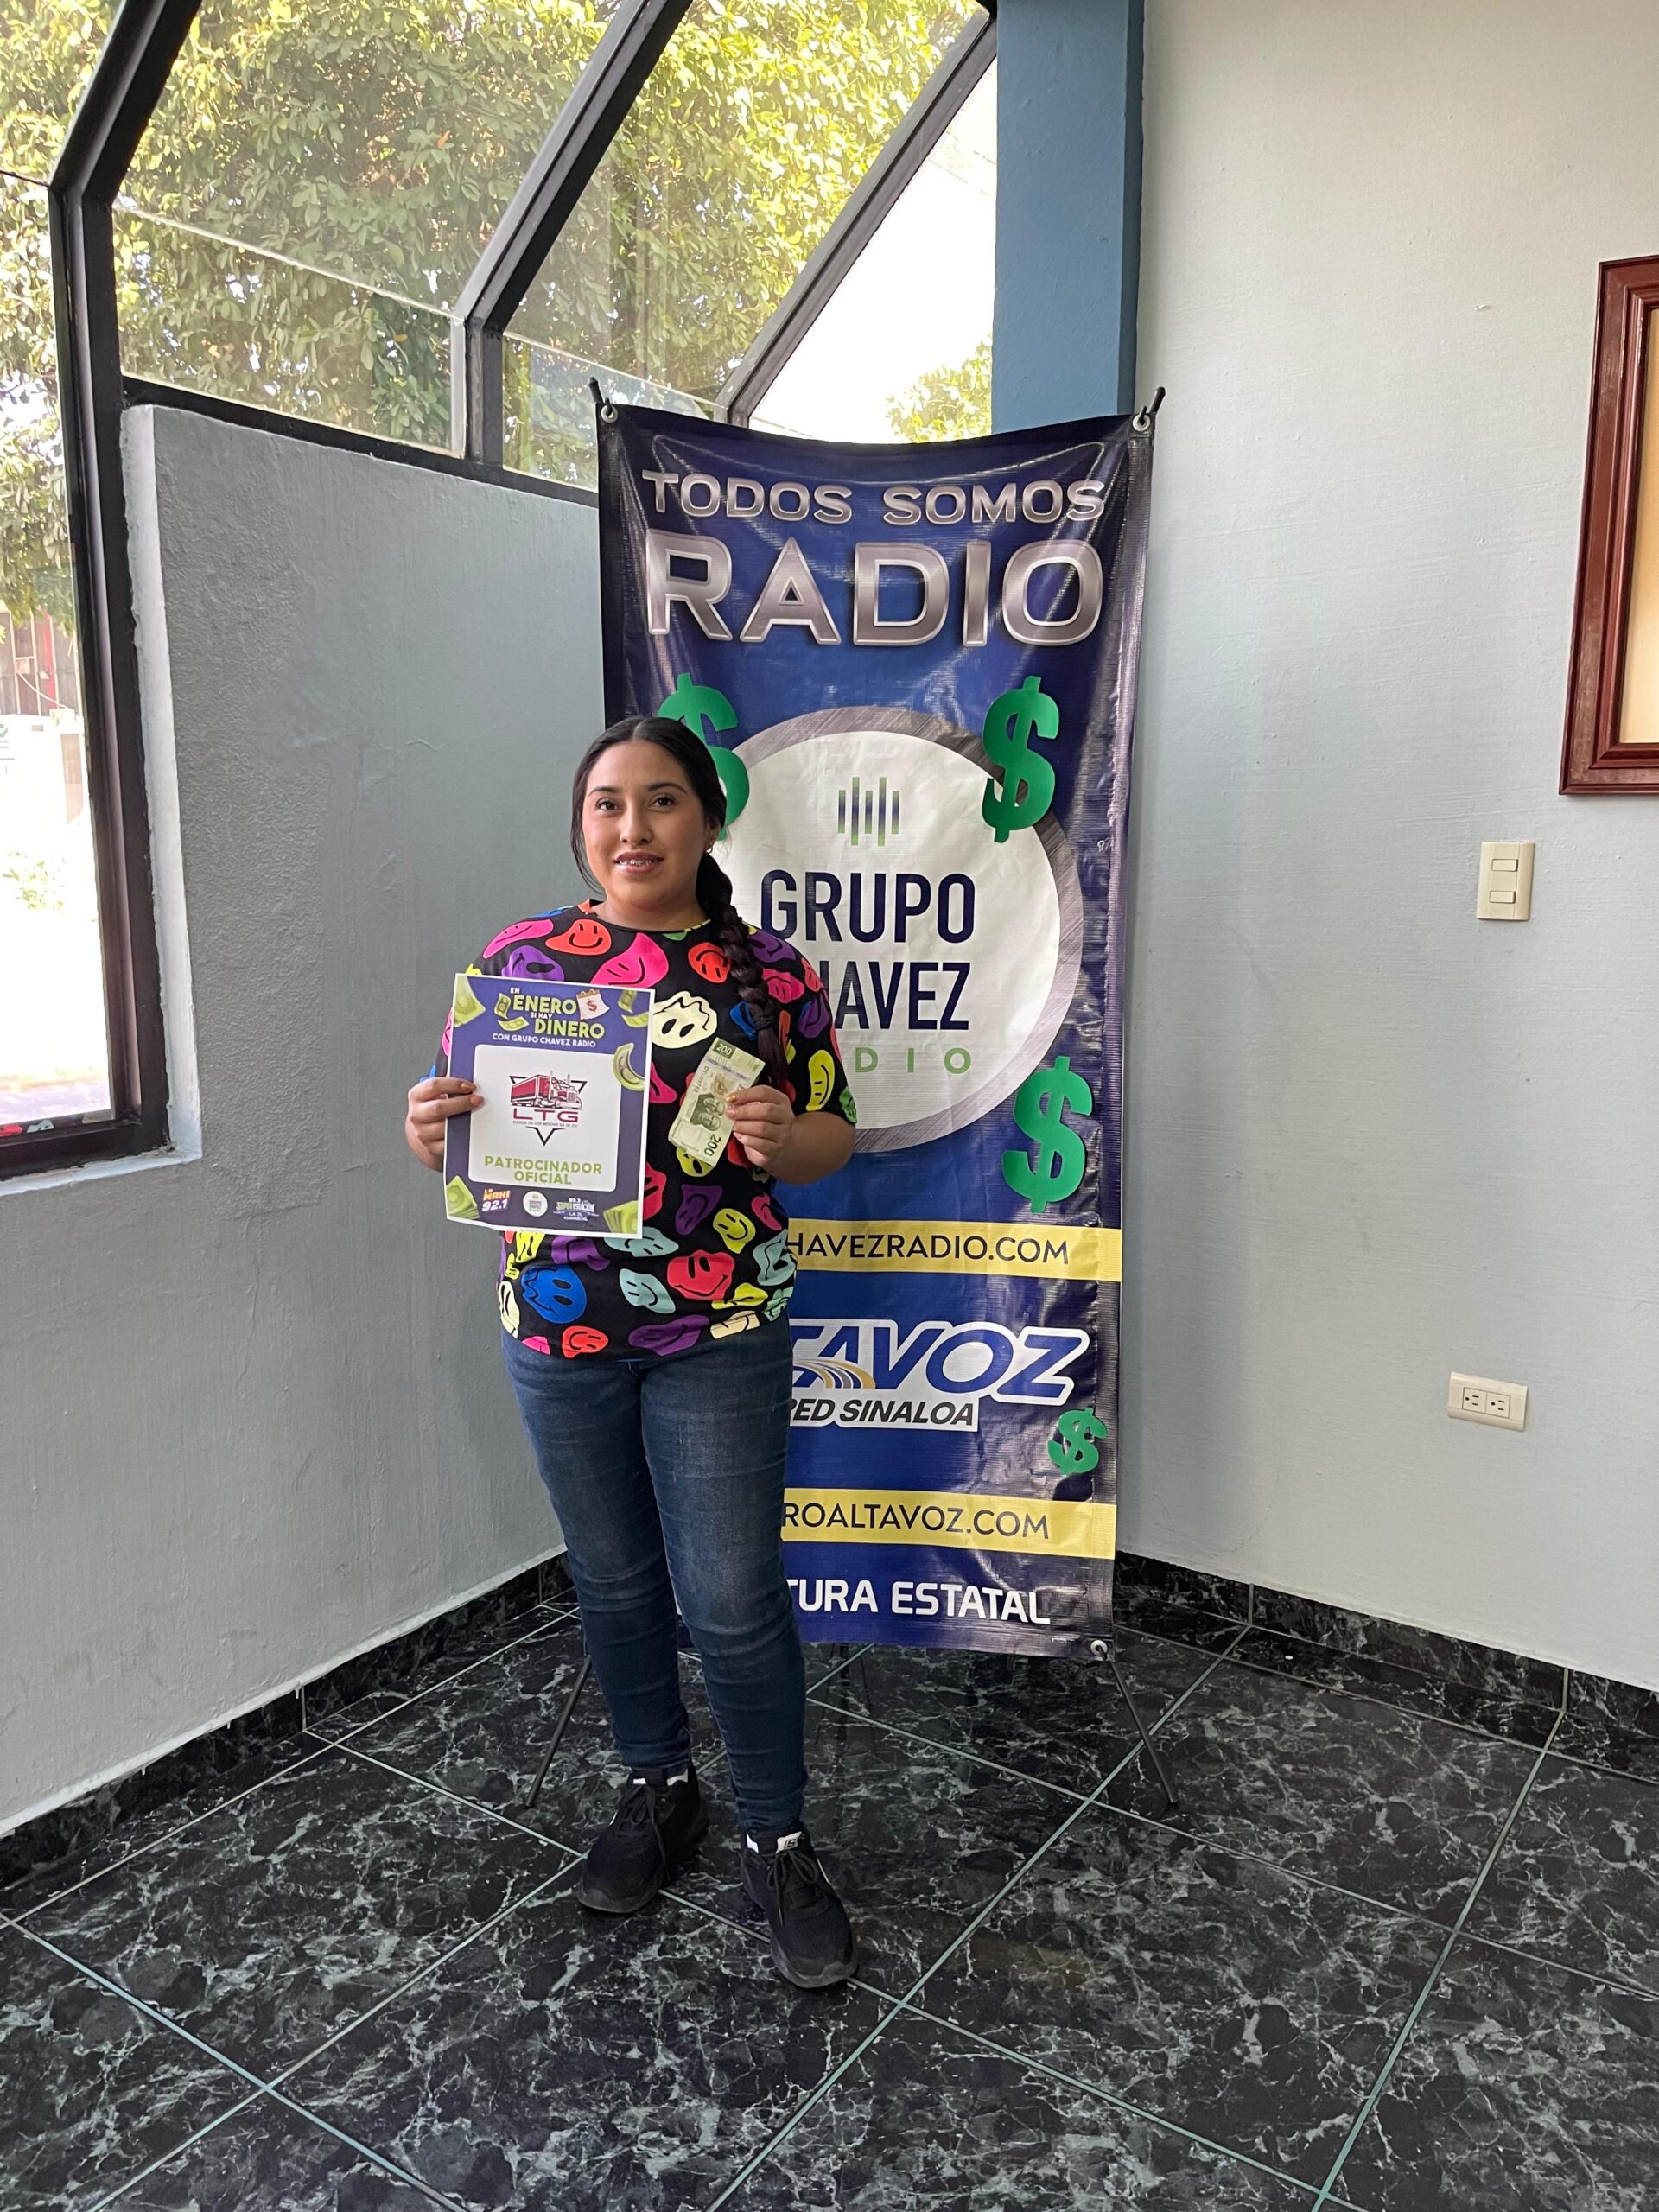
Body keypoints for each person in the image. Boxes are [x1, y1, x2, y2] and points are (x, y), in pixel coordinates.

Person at [404, 715, 860, 1989]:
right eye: (607, 803)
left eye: (662, 801)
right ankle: (658, 1789)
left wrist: (784, 1134)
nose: (633, 827)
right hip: (560, 1327)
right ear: (581, 827)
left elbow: (835, 1137)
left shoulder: (769, 974)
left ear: (707, 821)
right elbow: (460, 1135)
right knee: (611, 1580)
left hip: (723, 1326)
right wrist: (426, 1127)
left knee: (731, 1595)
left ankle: (776, 1836)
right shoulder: (521, 963)